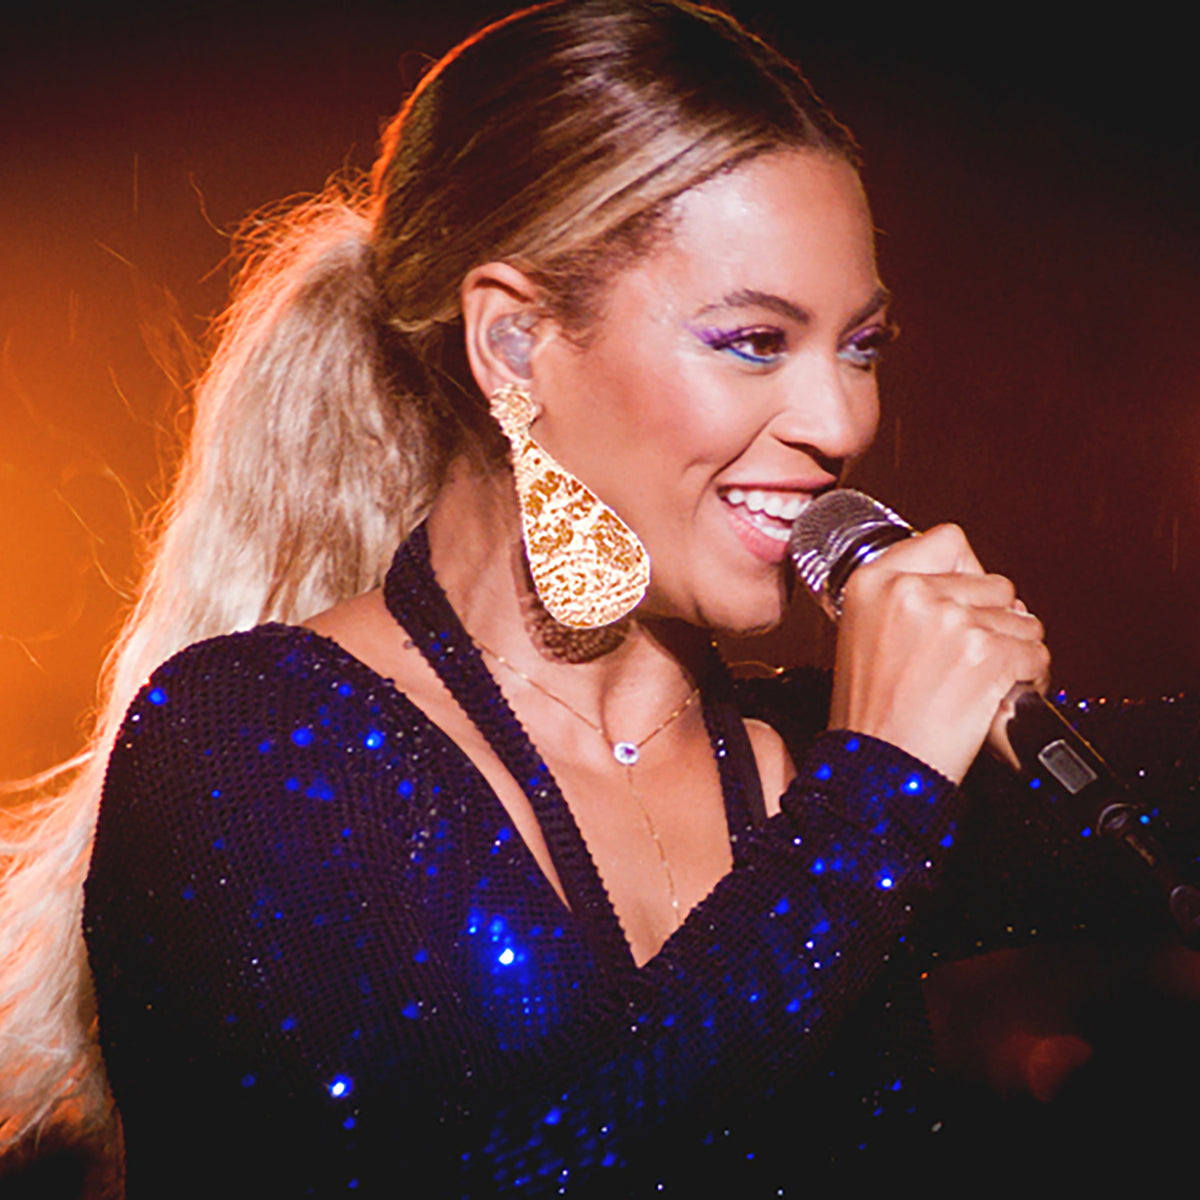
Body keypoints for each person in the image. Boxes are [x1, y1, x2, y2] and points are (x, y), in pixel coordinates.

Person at [7, 0, 1172, 1194]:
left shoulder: (809, 761)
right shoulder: (240, 745)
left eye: (860, 346)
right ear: (514, 346)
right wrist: (870, 808)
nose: (841, 424)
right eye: (754, 342)